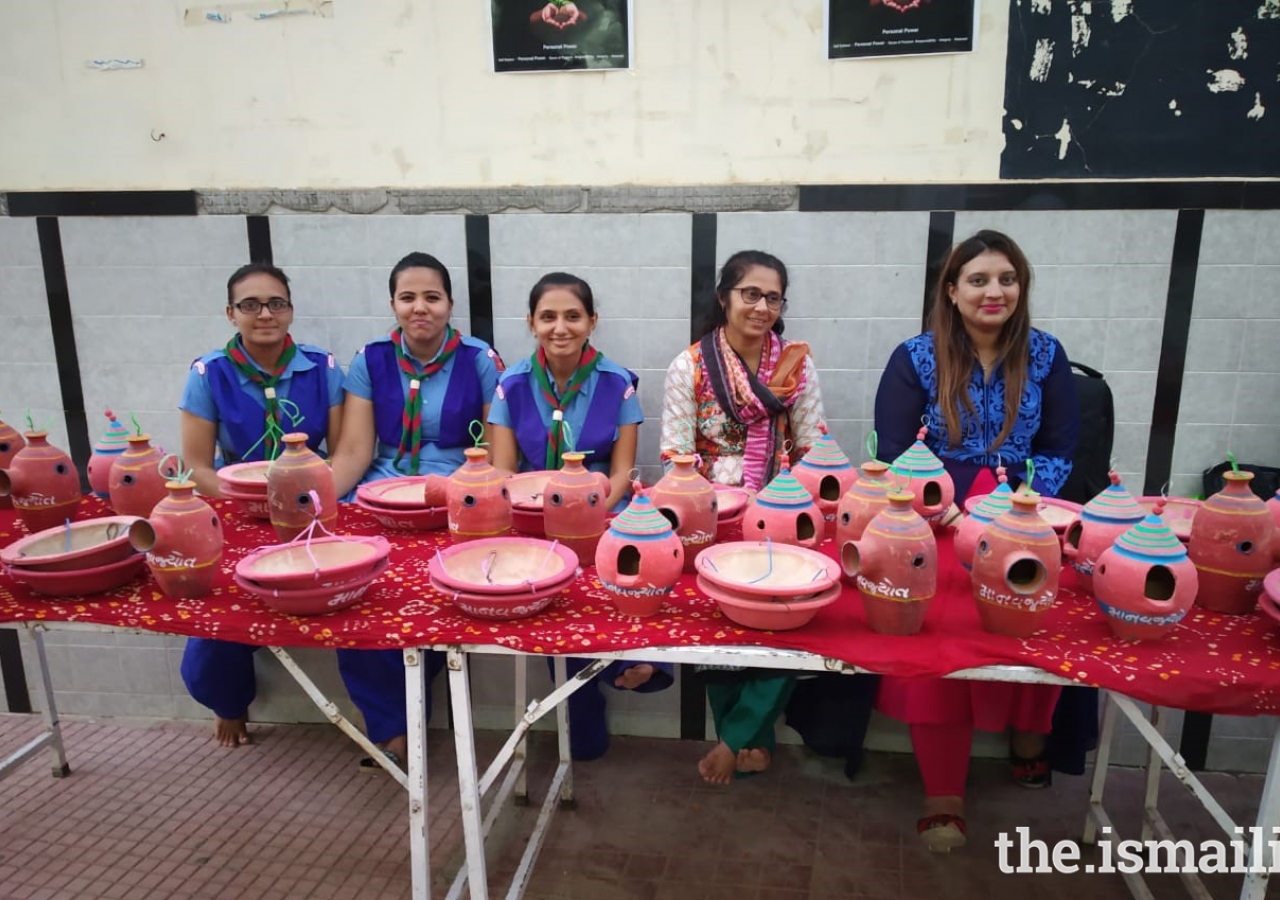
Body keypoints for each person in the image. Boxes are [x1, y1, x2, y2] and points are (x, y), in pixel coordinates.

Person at [872, 229, 1080, 852]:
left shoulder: (1046, 355)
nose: (996, 292)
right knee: (942, 636)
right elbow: (891, 454)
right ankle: (943, 788)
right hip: (937, 514)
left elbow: (1061, 448)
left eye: (1007, 279)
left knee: (1032, 617)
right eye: (980, 280)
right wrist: (947, 514)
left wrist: (1026, 508)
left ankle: (1027, 731)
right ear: (953, 291)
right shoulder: (915, 356)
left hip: (1024, 508)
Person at [487, 272, 672, 761]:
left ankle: (636, 667)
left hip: (603, 508)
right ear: (531, 324)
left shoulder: (618, 383)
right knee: (550, 596)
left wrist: (586, 515)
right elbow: (503, 473)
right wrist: (547, 518)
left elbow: (621, 472)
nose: (560, 327)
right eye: (548, 317)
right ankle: (609, 686)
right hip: (530, 514)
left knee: (617, 573)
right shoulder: (511, 384)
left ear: (593, 321)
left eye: (573, 316)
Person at [329, 251, 503, 771]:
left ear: (450, 304)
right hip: (382, 496)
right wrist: (323, 510)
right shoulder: (370, 359)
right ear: (393, 304)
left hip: (455, 497)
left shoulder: (480, 359)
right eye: (408, 297)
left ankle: (407, 720)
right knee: (355, 599)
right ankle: (390, 728)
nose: (419, 308)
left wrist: (470, 496)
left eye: (432, 297)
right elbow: (356, 451)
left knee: (434, 602)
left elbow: (495, 453)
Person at [659, 250, 827, 785]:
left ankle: (734, 738)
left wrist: (786, 500)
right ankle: (749, 736)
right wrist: (719, 497)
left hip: (780, 512)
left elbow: (813, 447)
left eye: (772, 297)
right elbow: (673, 455)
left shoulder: (796, 364)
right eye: (750, 294)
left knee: (786, 623)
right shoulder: (689, 367)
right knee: (720, 627)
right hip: (711, 515)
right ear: (724, 297)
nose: (761, 306)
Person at [178, 262, 345, 747]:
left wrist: (310, 493)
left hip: (312, 506)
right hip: (238, 507)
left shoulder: (322, 367)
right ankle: (228, 700)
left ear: (290, 310)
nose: (264, 314)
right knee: (220, 604)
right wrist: (251, 495)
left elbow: (342, 449)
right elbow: (196, 464)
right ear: (231, 313)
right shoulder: (209, 373)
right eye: (250, 305)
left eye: (276, 303)